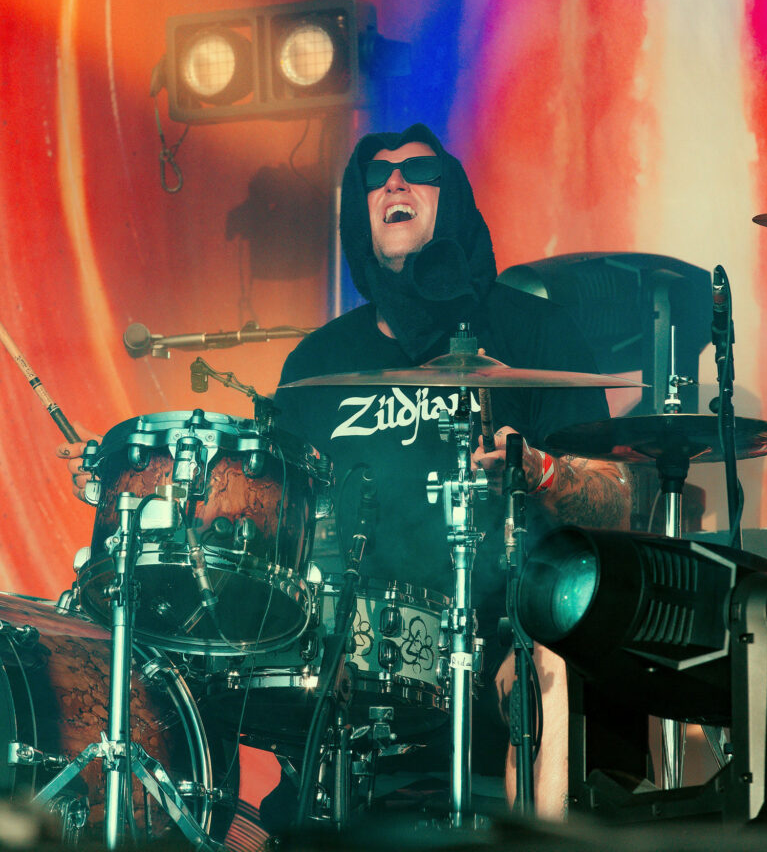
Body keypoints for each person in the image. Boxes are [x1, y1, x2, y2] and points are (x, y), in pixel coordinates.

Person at [59, 123, 632, 820]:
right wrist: (154, 496)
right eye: (374, 177)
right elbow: (272, 522)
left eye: (418, 170)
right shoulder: (317, 365)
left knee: (550, 668)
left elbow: (616, 502)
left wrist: (536, 469)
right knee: (185, 645)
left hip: (503, 639)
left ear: (452, 196)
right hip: (338, 654)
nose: (393, 182)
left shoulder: (534, 334)